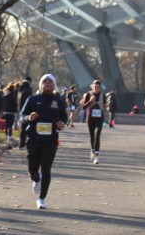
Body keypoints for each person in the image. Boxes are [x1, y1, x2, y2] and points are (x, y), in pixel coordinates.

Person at [19, 74, 68, 209]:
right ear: (40, 85)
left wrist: (61, 123)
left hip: (50, 140)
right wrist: (29, 117)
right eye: (44, 81)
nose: (47, 83)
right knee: (32, 169)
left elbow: (64, 117)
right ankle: (36, 179)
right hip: (34, 139)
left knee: (46, 169)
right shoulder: (32, 99)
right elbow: (22, 115)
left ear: (54, 85)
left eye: (50, 81)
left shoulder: (58, 101)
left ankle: (41, 198)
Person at [80, 79, 107, 163]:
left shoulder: (103, 95)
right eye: (95, 87)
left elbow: (105, 106)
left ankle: (97, 156)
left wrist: (104, 105)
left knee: (98, 135)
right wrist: (90, 101)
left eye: (98, 87)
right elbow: (83, 107)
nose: (96, 88)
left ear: (100, 88)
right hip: (91, 117)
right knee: (92, 137)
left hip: (99, 117)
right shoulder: (88, 94)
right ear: (92, 87)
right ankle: (92, 149)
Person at [16, 76, 33, 147]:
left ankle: (22, 141)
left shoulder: (20, 91)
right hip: (27, 111)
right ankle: (24, 141)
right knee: (26, 127)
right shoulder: (28, 92)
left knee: (22, 127)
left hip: (21, 110)